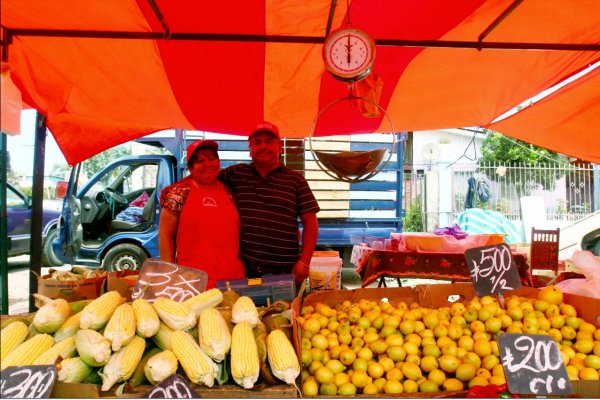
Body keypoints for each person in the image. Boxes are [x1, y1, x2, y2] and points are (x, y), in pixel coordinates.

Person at [220, 122, 320, 285]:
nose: (263, 146)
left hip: (286, 271)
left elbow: (311, 222)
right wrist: (177, 187)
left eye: (269, 141)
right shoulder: (236, 173)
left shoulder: (296, 181)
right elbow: (205, 177)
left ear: (280, 147)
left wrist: (304, 261)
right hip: (245, 269)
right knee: (248, 310)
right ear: (250, 148)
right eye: (257, 142)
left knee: (287, 311)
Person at [159, 139, 245, 289]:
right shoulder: (179, 193)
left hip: (233, 281)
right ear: (190, 168)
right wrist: (170, 274)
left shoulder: (229, 192)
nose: (208, 164)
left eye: (212, 159)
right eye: (200, 161)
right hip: (192, 282)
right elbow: (165, 235)